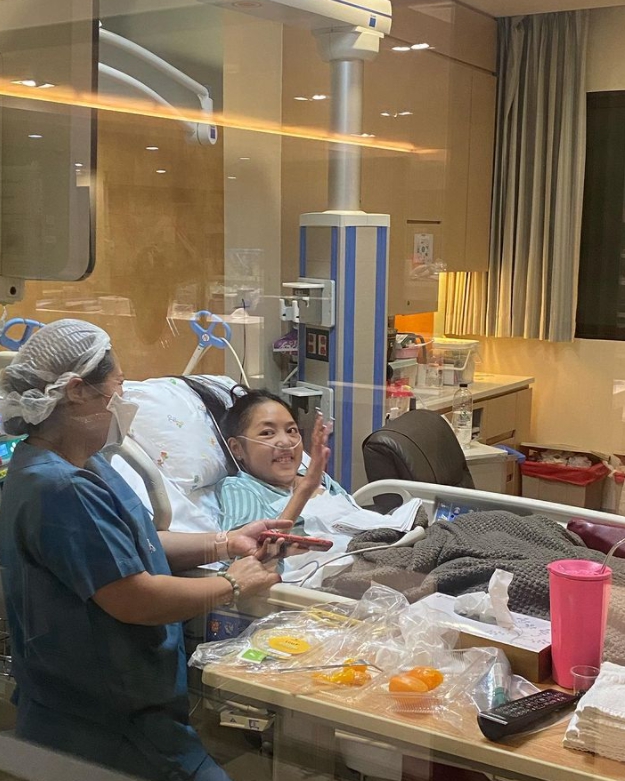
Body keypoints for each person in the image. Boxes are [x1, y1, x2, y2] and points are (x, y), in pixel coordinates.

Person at [0, 320, 293, 781]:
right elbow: (133, 597)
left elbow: (137, 544)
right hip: (102, 723)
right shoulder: (60, 487)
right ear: (76, 391)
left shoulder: (88, 466)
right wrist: (232, 583)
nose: (124, 401)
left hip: (117, 709)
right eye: (117, 388)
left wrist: (224, 541)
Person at [216, 388, 353, 532]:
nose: (286, 442)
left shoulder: (321, 479)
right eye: (267, 433)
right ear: (237, 448)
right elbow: (246, 544)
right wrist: (306, 489)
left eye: (291, 430)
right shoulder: (241, 489)